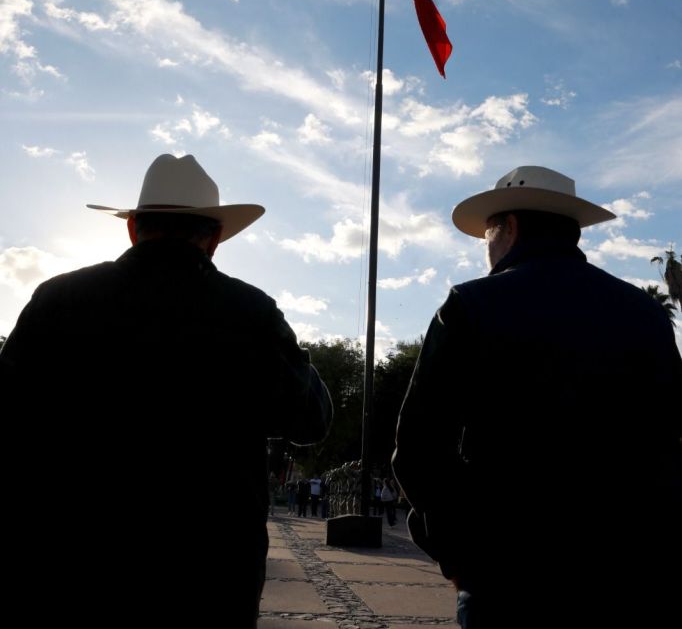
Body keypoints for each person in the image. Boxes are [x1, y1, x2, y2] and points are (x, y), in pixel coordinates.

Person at [0, 154, 332, 628]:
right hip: (211, 571)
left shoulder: (58, 299)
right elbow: (311, 421)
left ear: (132, 228)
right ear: (214, 238)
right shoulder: (251, 311)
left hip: (71, 564)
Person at [393, 166, 682, 629]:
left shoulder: (470, 305)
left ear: (510, 228)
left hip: (509, 579)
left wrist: (459, 557)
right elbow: (669, 445)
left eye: (487, 235)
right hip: (630, 578)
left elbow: (418, 451)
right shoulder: (647, 316)